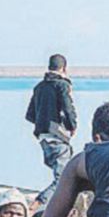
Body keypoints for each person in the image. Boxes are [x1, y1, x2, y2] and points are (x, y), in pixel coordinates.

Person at [25, 54, 77, 192]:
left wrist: (43, 122)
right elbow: (68, 108)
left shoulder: (39, 87)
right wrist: (72, 126)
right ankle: (36, 205)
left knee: (61, 176)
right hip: (57, 137)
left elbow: (30, 115)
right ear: (64, 68)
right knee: (63, 181)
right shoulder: (63, 85)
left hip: (43, 137)